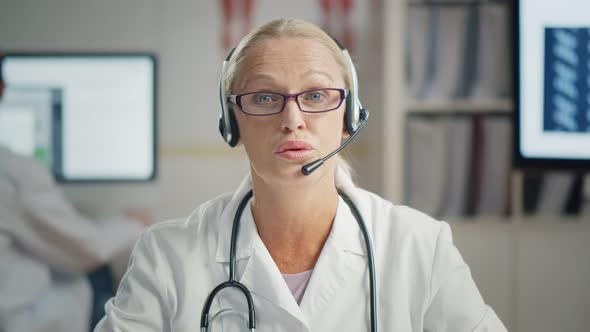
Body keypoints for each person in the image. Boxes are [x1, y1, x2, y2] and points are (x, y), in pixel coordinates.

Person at [95, 19, 507, 331]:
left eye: (315, 96)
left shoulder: (419, 247)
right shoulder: (167, 255)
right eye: (264, 97)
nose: (293, 119)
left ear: (349, 116)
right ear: (231, 124)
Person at [0, 54, 151, 332]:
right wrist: (135, 223)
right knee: (106, 277)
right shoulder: (12, 172)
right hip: (21, 319)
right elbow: (87, 249)